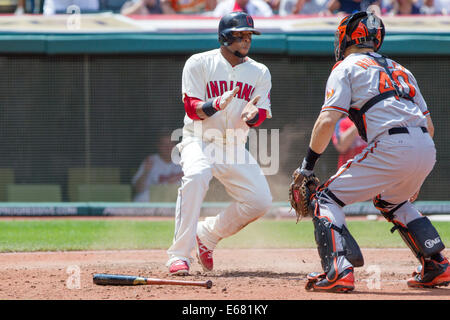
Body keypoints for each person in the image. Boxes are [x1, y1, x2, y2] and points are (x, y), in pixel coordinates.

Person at [293, 11, 449, 292]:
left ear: (346, 37)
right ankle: (436, 263)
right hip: (426, 146)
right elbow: (429, 126)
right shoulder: (401, 68)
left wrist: (307, 166)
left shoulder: (345, 67)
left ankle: (338, 271)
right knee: (393, 201)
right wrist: (413, 176)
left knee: (325, 199)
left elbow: (327, 121)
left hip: (391, 145)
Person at [167, 11, 273, 275]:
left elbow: (262, 110)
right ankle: (179, 255)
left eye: (249, 35)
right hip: (199, 139)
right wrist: (215, 104)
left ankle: (208, 235)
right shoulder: (199, 63)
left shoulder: (259, 71)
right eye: (240, 35)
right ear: (225, 37)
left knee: (260, 201)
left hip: (234, 145)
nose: (246, 40)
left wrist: (253, 116)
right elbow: (192, 109)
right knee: (197, 175)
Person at [132, 134, 183, 202]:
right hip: (152, 203)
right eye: (164, 145)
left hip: (176, 203)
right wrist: (146, 172)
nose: (168, 148)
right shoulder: (150, 161)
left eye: (171, 144)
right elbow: (138, 189)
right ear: (158, 146)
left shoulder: (184, 162)